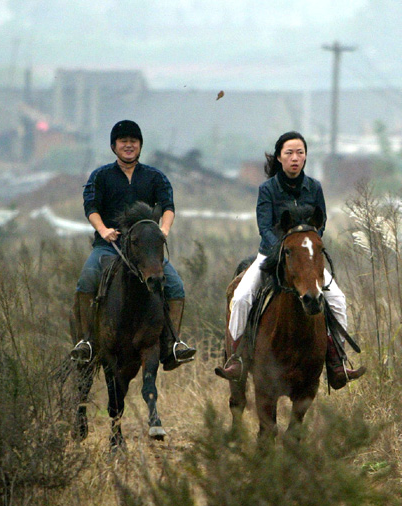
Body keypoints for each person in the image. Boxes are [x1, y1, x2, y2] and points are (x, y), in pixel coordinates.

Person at [216, 130, 365, 388]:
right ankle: (237, 357)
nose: (295, 158)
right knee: (241, 297)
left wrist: (307, 247)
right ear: (279, 157)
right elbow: (264, 227)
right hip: (271, 255)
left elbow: (321, 223)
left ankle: (336, 361)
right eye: (289, 153)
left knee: (338, 300)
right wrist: (282, 253)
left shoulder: (314, 187)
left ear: (305, 157)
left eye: (300, 152)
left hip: (306, 258)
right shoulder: (267, 189)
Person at [69, 119, 196, 370]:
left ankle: (173, 344)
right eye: (123, 142)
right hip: (109, 247)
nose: (129, 146)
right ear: (114, 146)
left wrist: (163, 230)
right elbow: (91, 208)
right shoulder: (101, 176)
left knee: (176, 286)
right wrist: (103, 230)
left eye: (133, 142)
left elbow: (168, 207)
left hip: (145, 251)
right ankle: (86, 342)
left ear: (140, 145)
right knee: (86, 281)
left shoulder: (155, 177)